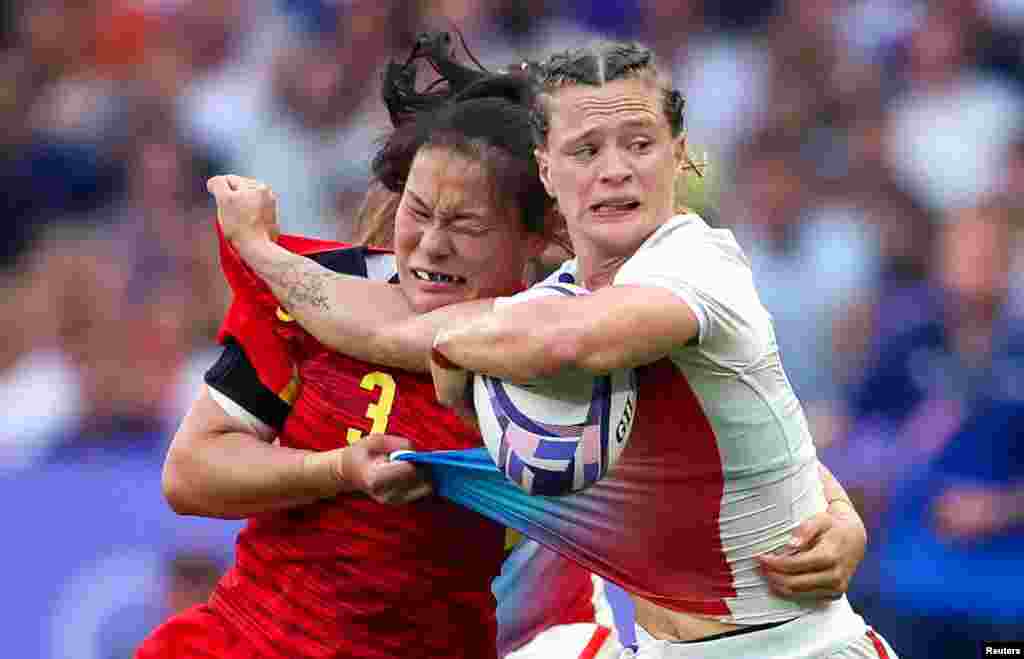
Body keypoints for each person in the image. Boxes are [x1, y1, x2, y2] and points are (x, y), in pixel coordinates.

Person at [214, 37, 886, 658]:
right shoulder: (538, 307)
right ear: (548, 169)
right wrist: (259, 250)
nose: (615, 170)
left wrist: (836, 512)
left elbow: (568, 344)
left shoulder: (697, 263)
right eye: (587, 149)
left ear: (679, 155)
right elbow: (389, 328)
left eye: (640, 143)